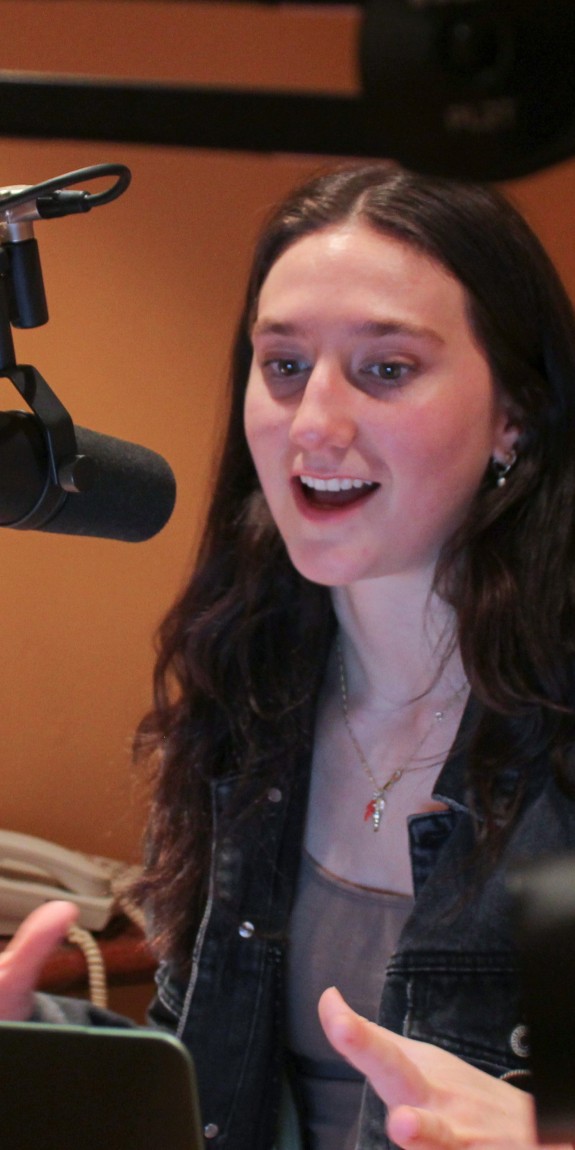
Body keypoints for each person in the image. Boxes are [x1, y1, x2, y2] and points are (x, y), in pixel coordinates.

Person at [3, 161, 575, 1150]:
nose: (314, 423)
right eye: (283, 366)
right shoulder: (247, 691)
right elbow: (211, 1073)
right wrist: (43, 1048)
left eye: (384, 369)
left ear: (512, 417)